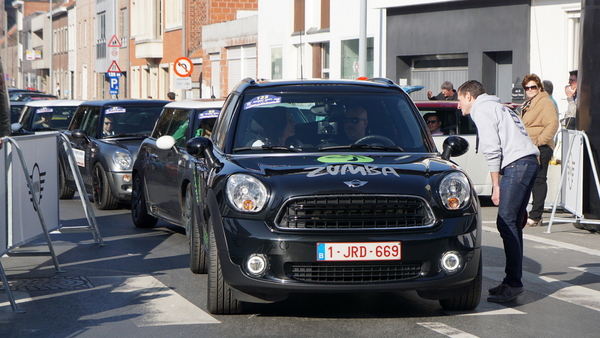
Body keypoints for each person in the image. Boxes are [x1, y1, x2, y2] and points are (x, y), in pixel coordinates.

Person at [457, 80, 539, 303]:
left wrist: (496, 186)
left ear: (469, 96)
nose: (458, 105)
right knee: (512, 223)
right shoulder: (499, 106)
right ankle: (512, 280)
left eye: (459, 99)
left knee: (506, 222)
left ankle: (513, 283)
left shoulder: (482, 109)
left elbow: (492, 148)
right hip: (528, 162)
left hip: (518, 164)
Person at [520, 74, 559, 227]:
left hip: (540, 146)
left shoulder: (545, 102)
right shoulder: (529, 102)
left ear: (539, 88)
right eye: (527, 87)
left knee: (539, 179)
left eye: (533, 87)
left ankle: (536, 215)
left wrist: (539, 141)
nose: (530, 90)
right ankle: (532, 213)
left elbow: (552, 124)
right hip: (529, 145)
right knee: (529, 179)